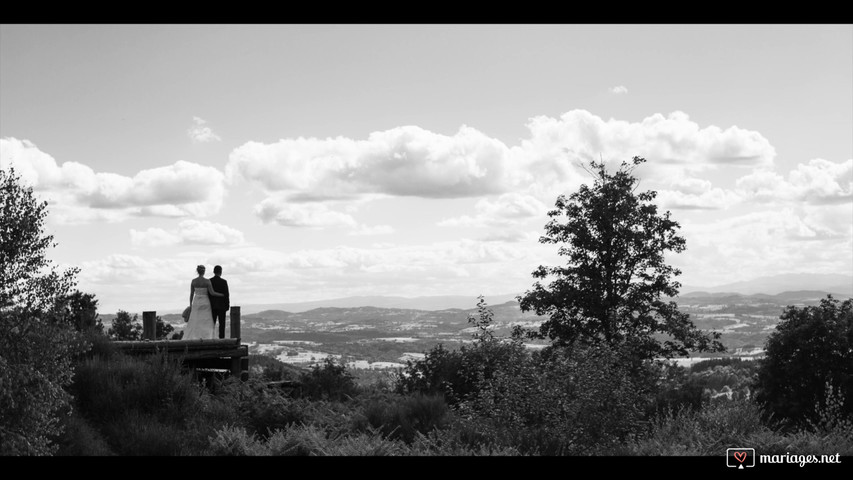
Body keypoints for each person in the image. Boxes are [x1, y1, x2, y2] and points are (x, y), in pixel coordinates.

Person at [183, 265, 225, 340]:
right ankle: (207, 337)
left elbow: (191, 294)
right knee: (206, 320)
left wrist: (190, 304)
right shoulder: (207, 281)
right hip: (205, 301)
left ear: (197, 271)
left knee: (195, 320)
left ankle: (194, 337)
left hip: (196, 302)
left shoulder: (193, 281)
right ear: (204, 271)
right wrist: (221, 294)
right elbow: (212, 293)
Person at [209, 265, 230, 339]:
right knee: (222, 324)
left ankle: (211, 338)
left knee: (212, 324)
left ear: (213, 272)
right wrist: (227, 305)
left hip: (212, 306)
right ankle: (221, 339)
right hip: (222, 306)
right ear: (221, 272)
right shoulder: (224, 282)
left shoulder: (210, 281)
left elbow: (208, 294)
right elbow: (226, 295)